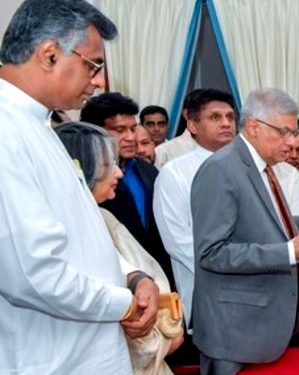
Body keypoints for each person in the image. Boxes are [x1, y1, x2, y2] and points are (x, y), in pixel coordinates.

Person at [0, 1, 157, 373]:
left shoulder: (40, 124)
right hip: (53, 360)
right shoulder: (6, 130)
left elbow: (78, 235)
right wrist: (123, 303)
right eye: (94, 64)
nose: (100, 81)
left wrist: (132, 277)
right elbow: (30, 275)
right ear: (50, 54)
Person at [190, 88, 299, 374]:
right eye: (284, 132)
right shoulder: (221, 169)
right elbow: (212, 253)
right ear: (254, 127)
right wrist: (291, 251)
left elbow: (262, 222)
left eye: (294, 133)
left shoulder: (263, 167)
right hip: (235, 330)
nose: (292, 141)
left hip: (260, 326)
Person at [56, 122, 183, 375]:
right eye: (107, 165)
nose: (119, 173)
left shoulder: (101, 217)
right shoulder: (59, 231)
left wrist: (140, 280)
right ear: (78, 169)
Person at [154, 88, 237, 336]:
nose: (225, 123)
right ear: (192, 125)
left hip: (255, 291)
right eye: (215, 117)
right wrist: (237, 269)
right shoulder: (174, 173)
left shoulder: (248, 168)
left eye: (230, 117)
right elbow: (178, 241)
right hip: (207, 289)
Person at [81, 92, 175, 290]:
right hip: (110, 280)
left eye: (133, 128)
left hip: (156, 276)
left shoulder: (147, 169)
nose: (130, 137)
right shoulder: (85, 176)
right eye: (120, 130)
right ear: (96, 131)